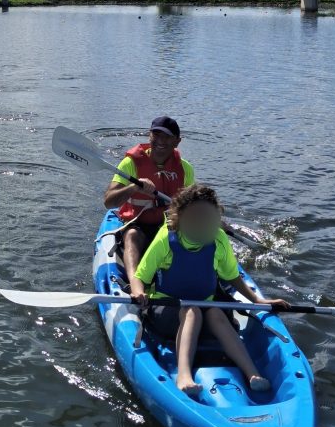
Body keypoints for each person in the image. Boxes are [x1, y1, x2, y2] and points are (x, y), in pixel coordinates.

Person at [133, 183, 289, 396]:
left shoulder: (219, 239)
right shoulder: (166, 239)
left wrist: (257, 301)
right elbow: (140, 276)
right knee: (191, 311)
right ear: (180, 218)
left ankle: (252, 374)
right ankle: (184, 375)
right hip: (166, 308)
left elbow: (232, 277)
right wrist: (138, 292)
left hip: (205, 304)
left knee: (216, 312)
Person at [104, 117, 195, 302]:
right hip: (138, 223)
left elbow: (191, 205)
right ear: (149, 135)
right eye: (156, 134)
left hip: (169, 225)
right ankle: (135, 285)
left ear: (177, 141)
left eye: (167, 136)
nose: (160, 140)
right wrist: (134, 187)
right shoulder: (130, 164)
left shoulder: (185, 168)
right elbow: (109, 202)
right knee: (132, 236)